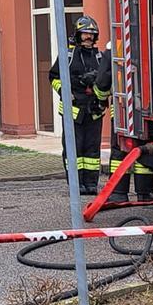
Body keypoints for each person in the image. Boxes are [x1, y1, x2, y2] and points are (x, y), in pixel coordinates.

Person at [48, 15, 112, 195]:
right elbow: (53, 77)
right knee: (73, 148)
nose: (88, 38)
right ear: (77, 35)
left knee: (92, 148)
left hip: (94, 110)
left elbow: (107, 80)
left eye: (91, 34)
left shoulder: (100, 57)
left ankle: (91, 183)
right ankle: (76, 184)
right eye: (85, 34)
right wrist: (65, 92)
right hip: (73, 111)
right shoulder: (68, 56)